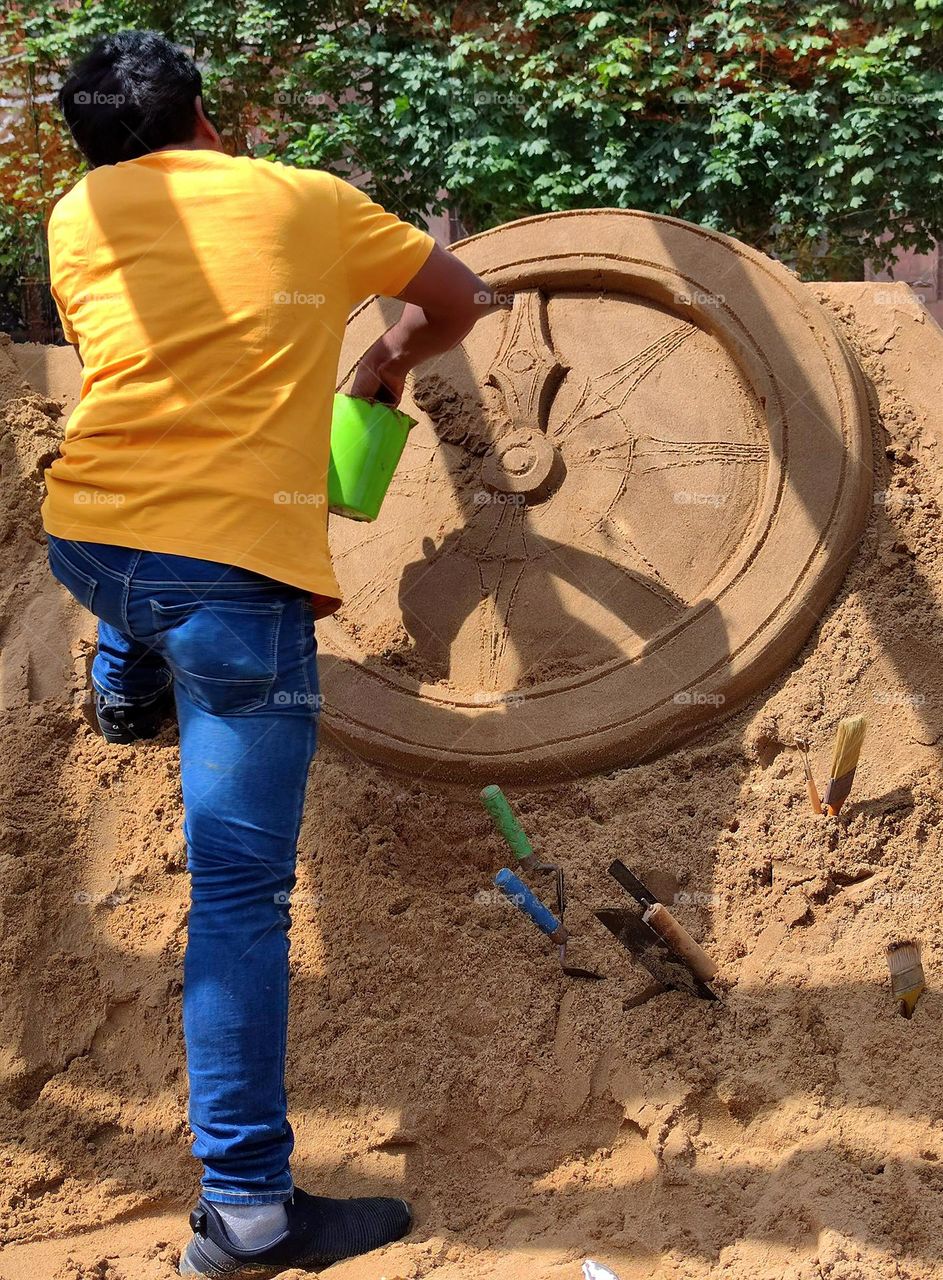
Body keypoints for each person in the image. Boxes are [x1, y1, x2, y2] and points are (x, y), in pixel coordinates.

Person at [43, 30, 492, 1277]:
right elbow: (455, 298)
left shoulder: (71, 212)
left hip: (86, 530)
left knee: (136, 598)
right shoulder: (304, 197)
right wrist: (385, 361)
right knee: (239, 896)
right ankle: (247, 1213)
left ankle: (125, 684)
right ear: (211, 112)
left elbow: (138, 358)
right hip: (237, 582)